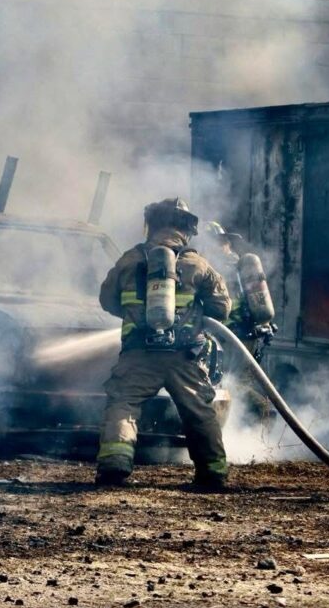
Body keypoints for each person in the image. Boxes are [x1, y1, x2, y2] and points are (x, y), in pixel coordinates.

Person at [97, 198, 232, 489]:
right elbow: (222, 308)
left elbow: (106, 299)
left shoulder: (129, 260)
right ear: (186, 228)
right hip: (184, 356)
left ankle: (114, 465)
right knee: (198, 410)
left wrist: (135, 310)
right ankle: (213, 473)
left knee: (124, 403)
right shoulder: (197, 264)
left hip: (139, 353)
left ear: (151, 224)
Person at [198, 221, 276, 428]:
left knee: (235, 385)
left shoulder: (223, 269)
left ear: (223, 243)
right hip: (240, 334)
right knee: (228, 383)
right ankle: (240, 429)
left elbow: (224, 305)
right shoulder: (235, 264)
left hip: (235, 335)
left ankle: (266, 417)